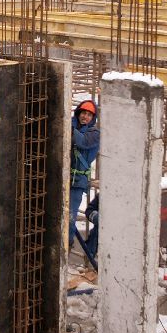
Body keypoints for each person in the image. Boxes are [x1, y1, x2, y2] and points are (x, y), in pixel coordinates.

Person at [69, 99, 100, 247]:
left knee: (69, 218)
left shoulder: (94, 134)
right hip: (64, 178)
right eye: (83, 113)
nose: (85, 117)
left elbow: (82, 142)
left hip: (78, 182)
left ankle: (67, 245)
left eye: (89, 114)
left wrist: (68, 127)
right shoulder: (70, 126)